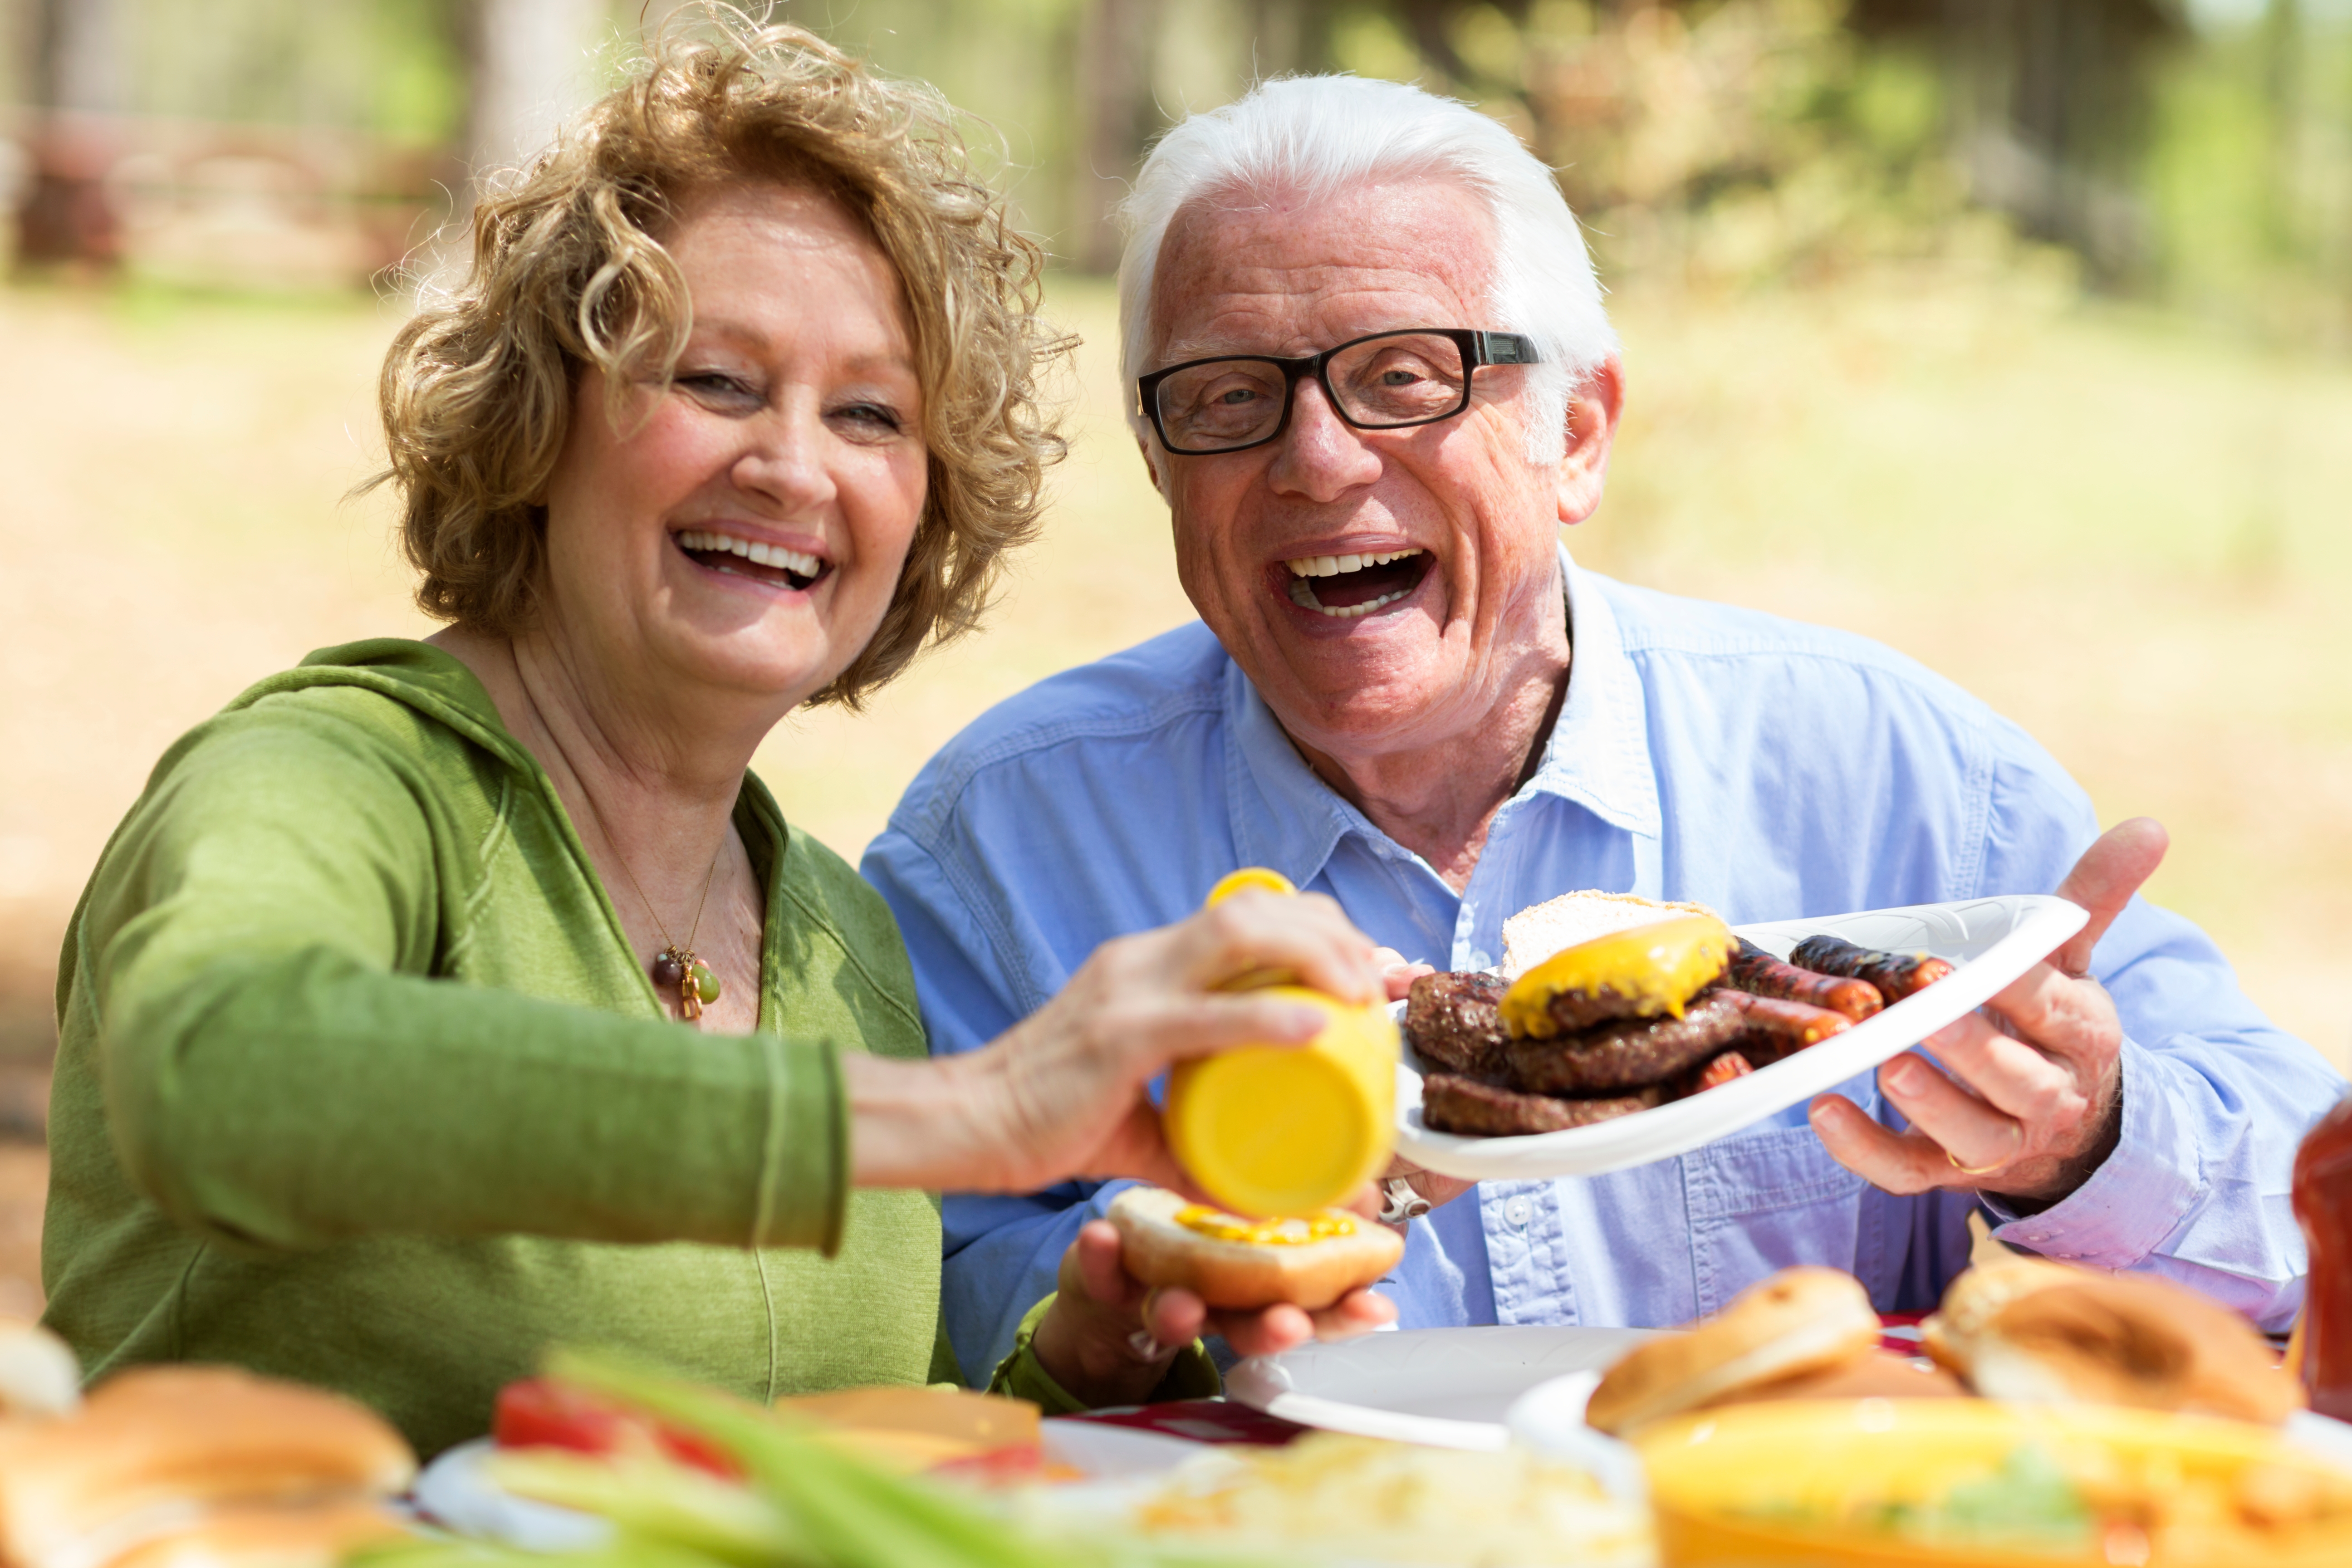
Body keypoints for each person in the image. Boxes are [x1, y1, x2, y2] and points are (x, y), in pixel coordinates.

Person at [862, 74, 2343, 1389]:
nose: (1314, 458)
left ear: (1575, 435)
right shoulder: (1004, 842)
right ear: (1160, 465)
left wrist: (2092, 1135)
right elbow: (925, 1301)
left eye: (1405, 374)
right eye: (1231, 397)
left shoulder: (1897, 776)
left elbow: (2307, 1193)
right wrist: (1106, 1319)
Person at [39, 28, 1392, 1458]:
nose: (794, 466)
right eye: (715, 381)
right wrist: (973, 1111)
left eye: (871, 413)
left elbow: (810, 1454)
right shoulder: (329, 780)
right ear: (544, 413)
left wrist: (1091, 1364)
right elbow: (217, 1072)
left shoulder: (838, 936)